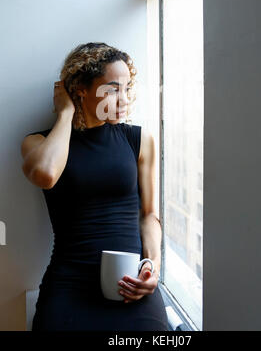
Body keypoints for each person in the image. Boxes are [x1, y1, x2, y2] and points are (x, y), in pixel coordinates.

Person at [21, 42, 169, 331]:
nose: (124, 99)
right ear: (80, 89)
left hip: (130, 286)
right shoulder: (38, 143)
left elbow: (149, 215)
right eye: (113, 89)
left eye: (127, 88)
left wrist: (151, 265)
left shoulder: (138, 141)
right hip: (70, 287)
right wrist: (66, 114)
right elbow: (45, 175)